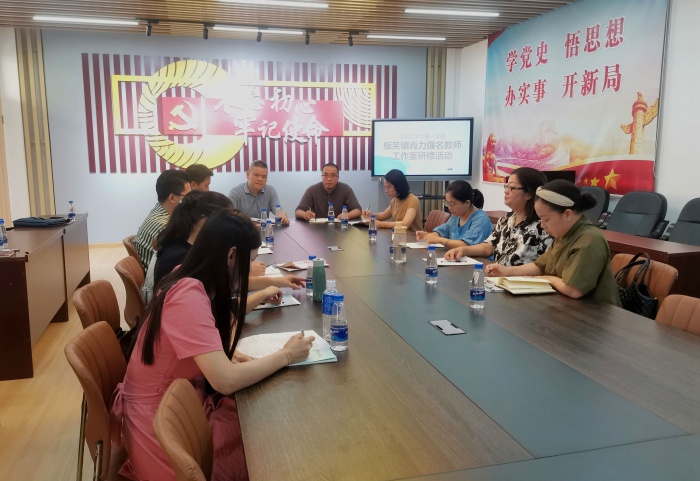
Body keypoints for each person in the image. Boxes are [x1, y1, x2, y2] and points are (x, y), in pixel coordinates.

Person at [114, 209, 315, 481]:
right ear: (231, 255)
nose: (250, 270)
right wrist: (286, 355)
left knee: (259, 424)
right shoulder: (187, 296)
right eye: (250, 261)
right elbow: (225, 380)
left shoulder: (189, 276)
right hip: (161, 424)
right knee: (264, 445)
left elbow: (215, 333)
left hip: (174, 401)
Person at [485, 180, 621, 305]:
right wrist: (507, 271)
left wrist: (547, 279)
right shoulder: (564, 234)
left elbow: (574, 290)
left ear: (567, 214)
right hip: (567, 306)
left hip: (596, 313)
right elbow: (540, 266)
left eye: (546, 219)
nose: (542, 225)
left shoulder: (589, 239)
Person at [444, 167, 553, 265]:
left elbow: (544, 267)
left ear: (528, 194)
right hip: (497, 277)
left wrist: (507, 272)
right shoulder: (505, 220)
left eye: (511, 188)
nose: (506, 191)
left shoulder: (543, 226)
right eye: (506, 186)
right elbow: (488, 247)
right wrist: (462, 250)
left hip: (520, 280)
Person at [132, 169, 190, 270]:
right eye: (188, 197)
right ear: (172, 198)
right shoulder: (165, 226)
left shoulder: (157, 212)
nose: (191, 201)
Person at [416, 180, 492, 248]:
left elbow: (467, 246)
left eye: (452, 204)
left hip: (477, 259)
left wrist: (438, 240)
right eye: (447, 203)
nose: (449, 207)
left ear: (467, 203)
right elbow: (443, 231)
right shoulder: (456, 216)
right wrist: (428, 235)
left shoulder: (480, 219)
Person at [228, 160, 289, 225]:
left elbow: (279, 210)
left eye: (264, 176)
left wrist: (282, 216)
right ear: (248, 175)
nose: (260, 179)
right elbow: (228, 216)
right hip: (242, 229)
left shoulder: (270, 191)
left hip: (263, 229)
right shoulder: (236, 192)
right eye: (256, 175)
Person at [295, 163, 362, 221]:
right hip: (317, 228)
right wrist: (304, 214)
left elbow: (358, 210)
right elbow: (298, 211)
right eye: (325, 175)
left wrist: (347, 215)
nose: (329, 179)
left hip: (340, 226)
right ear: (322, 176)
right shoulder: (312, 190)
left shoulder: (346, 189)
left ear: (338, 177)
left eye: (333, 175)